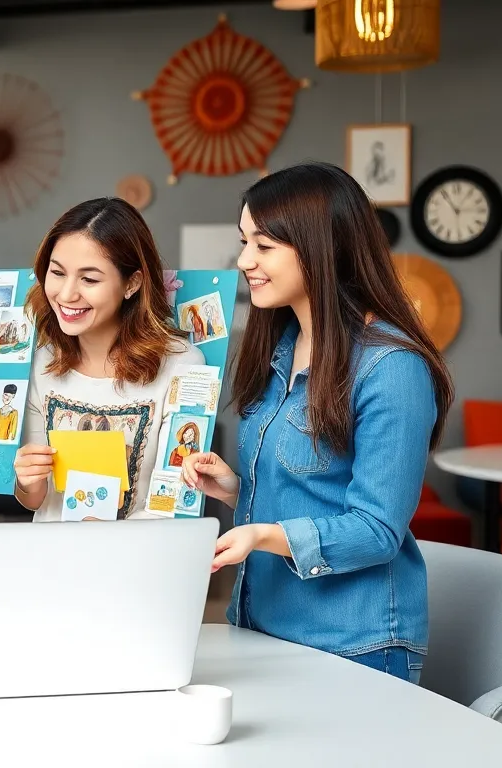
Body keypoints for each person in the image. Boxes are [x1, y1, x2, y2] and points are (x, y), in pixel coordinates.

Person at [180, 161, 454, 683]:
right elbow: (316, 493)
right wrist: (237, 489)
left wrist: (261, 535)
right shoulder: (281, 348)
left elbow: (376, 529)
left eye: (263, 246)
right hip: (262, 625)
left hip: (355, 643)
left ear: (319, 246)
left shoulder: (392, 367)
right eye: (244, 242)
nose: (244, 261)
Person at [11, 197, 205, 520]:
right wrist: (26, 481)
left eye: (89, 279)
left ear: (132, 283)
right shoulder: (42, 363)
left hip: (140, 564)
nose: (66, 293)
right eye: (57, 273)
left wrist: (108, 539)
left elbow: (176, 504)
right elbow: (36, 500)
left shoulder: (184, 367)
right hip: (51, 563)